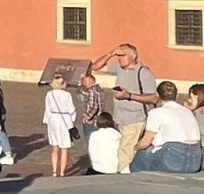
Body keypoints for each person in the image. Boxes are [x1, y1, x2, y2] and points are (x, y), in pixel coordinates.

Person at [94, 44, 159, 172]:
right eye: (118, 56)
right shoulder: (119, 68)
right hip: (119, 118)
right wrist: (110, 53)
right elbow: (95, 67)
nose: (119, 58)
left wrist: (128, 96)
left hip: (135, 118)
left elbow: (154, 98)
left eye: (122, 55)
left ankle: (123, 176)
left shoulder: (144, 73)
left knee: (125, 150)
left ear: (133, 55)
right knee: (128, 149)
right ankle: (132, 171)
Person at [130, 81, 203, 173]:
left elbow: (146, 142)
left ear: (157, 95)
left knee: (140, 156)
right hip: (194, 161)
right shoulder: (188, 112)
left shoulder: (156, 112)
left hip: (172, 158)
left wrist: (135, 148)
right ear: (177, 95)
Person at [42, 72, 78, 178]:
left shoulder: (49, 94)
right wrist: (72, 121)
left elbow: (47, 108)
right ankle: (62, 172)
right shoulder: (67, 95)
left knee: (55, 147)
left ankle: (54, 171)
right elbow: (71, 109)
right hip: (64, 120)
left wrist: (47, 121)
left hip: (53, 119)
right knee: (64, 148)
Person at [80, 71, 106, 144]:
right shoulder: (99, 89)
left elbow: (94, 107)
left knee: (90, 141)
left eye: (85, 81)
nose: (84, 83)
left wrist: (87, 117)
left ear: (91, 81)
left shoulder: (91, 90)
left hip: (92, 121)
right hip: (99, 119)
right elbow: (84, 92)